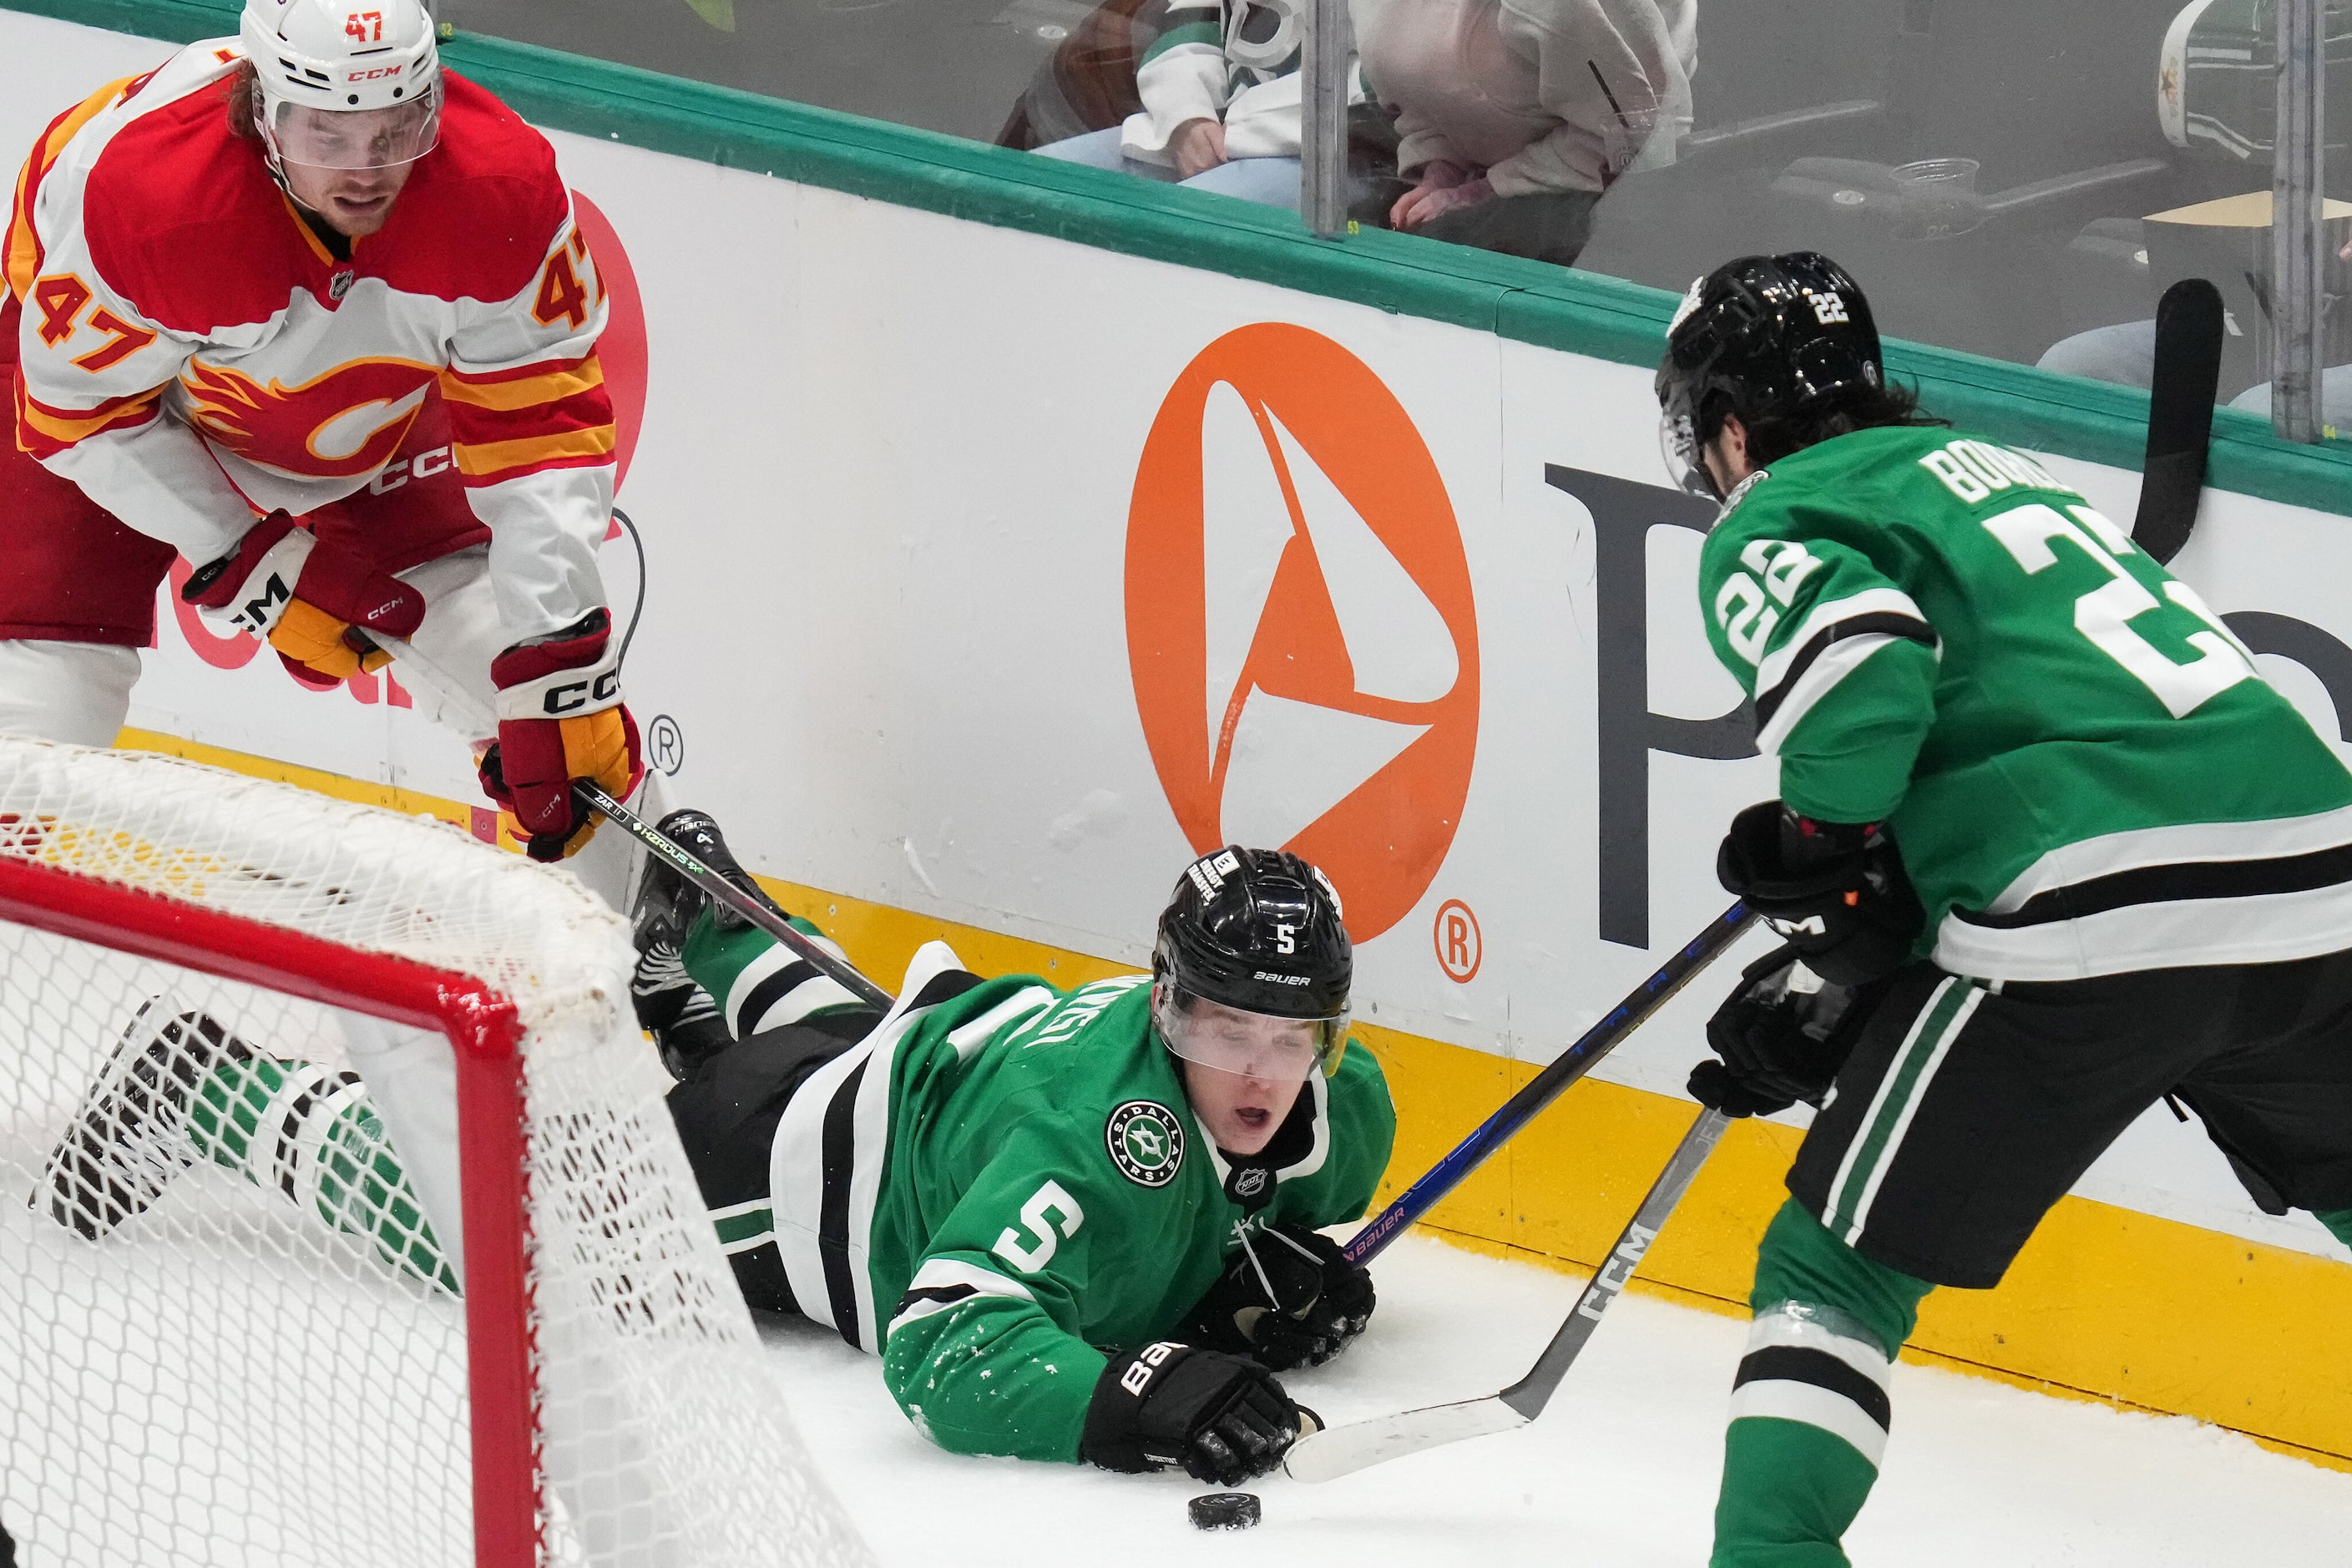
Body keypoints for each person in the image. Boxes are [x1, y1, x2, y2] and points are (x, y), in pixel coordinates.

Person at [1656, 250, 2352, 1567]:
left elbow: (1862, 676)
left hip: (2097, 920)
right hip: (2325, 873)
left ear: (1729, 425)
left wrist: (1822, 847)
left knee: (1832, 1277)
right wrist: (1847, 960)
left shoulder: (1776, 510)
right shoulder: (2002, 475)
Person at [48, 820, 1398, 1481]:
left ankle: (714, 938)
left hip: (888, 1061)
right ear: (1167, 1005)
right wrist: (1143, 1385)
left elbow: (1267, 1160)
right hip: (783, 1168)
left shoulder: (1333, 1105)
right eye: (1221, 1027)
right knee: (493, 1231)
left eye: (1289, 1038)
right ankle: (214, 1087)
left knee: (857, 1043)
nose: (1258, 1071)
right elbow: (946, 1338)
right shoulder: (1097, 1146)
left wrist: (1238, 1238)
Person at [3, 0, 637, 864]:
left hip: (349, 409)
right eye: (325, 136)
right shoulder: (149, 199)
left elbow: (540, 419)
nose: (365, 173)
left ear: (433, 106)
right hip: (111, 409)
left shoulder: (499, 186)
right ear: (259, 111)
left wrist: (561, 654)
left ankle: (649, 953)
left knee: (543, 703)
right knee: (37, 706)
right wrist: (249, 559)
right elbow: (80, 413)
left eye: (394, 133)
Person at [1350, 0, 1693, 266]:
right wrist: (1439, 163)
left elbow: (1639, 132)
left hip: (1609, 160)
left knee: (1438, 248)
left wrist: (1486, 190)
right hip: (1492, 137)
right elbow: (1404, 82)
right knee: (1336, 199)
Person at [1030, 0, 1368, 213]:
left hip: (1341, 157)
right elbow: (1191, 19)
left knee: (1172, 226)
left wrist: (1239, 132)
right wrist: (1186, 117)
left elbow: (1391, 85)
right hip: (1217, 132)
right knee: (1024, 186)